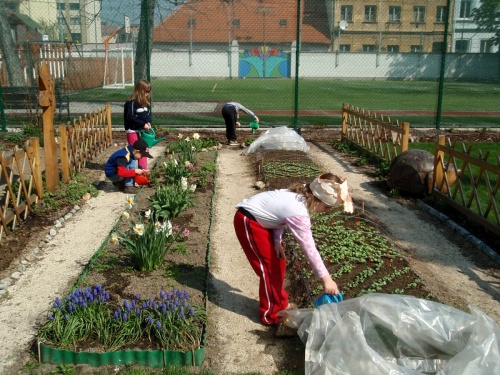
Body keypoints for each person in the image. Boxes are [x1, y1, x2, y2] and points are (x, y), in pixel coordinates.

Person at [233, 172, 353, 328]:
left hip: (261, 222)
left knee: (279, 264)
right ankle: (271, 315)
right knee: (269, 270)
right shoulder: (298, 211)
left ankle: (280, 302)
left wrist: (277, 241)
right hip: (249, 222)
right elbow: (309, 248)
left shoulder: (302, 192)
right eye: (327, 207)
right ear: (317, 199)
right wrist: (326, 279)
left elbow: (279, 217)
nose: (327, 211)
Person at [124, 79, 152, 169]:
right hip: (132, 130)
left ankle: (143, 170)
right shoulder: (131, 103)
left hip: (141, 132)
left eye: (149, 92)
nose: (147, 94)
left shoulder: (145, 104)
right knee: (135, 151)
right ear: (140, 91)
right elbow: (130, 117)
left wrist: (148, 122)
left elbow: (147, 115)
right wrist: (143, 124)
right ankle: (132, 171)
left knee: (144, 149)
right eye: (146, 92)